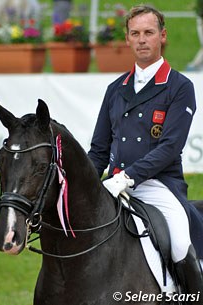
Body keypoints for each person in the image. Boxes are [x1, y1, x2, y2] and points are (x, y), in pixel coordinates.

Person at [88, 4, 203, 301]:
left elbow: (170, 147)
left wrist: (128, 177)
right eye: (135, 33)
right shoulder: (115, 88)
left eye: (149, 33)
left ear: (162, 36)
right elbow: (99, 151)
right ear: (127, 38)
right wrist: (80, 183)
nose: (142, 39)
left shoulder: (179, 86)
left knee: (179, 242)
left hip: (158, 185)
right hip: (112, 184)